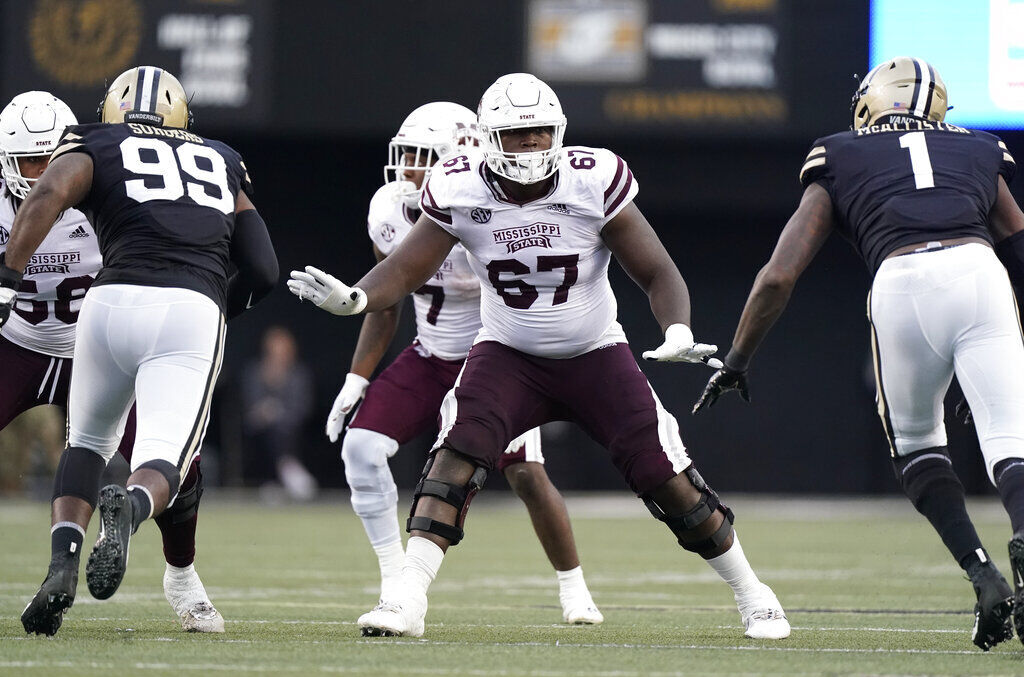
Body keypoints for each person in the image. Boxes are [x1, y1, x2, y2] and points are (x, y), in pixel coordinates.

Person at [289, 72, 789, 639]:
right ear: (488, 138)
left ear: (559, 132)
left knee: (666, 477)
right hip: (509, 353)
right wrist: (357, 298)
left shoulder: (591, 178)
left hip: (595, 351)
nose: (530, 145)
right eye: (517, 134)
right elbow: (407, 268)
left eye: (540, 132)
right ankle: (407, 597)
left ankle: (753, 592)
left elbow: (656, 270)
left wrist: (677, 328)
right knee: (456, 455)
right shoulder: (459, 187)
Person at [693, 56, 1024, 651]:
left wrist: (737, 360)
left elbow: (778, 276)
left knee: (921, 447)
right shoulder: (979, 147)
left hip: (900, 281)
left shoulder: (839, 151)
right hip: (981, 273)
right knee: (1010, 442)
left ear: (872, 101)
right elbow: (1019, 245)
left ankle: (982, 573)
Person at [2, 66, 278, 635]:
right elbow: (262, 266)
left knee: (94, 446)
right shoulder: (219, 155)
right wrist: (216, 310)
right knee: (166, 461)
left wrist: (5, 281)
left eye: (42, 159)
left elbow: (54, 189)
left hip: (100, 322)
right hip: (47, 337)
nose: (35, 173)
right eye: (23, 161)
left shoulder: (94, 148)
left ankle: (118, 569)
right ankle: (126, 513)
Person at [328, 101, 602, 623]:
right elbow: (387, 298)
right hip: (429, 355)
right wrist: (356, 377)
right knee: (361, 448)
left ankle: (574, 586)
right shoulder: (387, 210)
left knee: (526, 475)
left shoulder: (488, 208)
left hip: (493, 361)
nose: (407, 168)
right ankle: (395, 581)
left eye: (420, 156)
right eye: (404, 154)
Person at [241, 325, 318, 500]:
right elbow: (249, 405)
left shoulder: (299, 374)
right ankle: (288, 469)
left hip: (291, 426)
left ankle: (277, 477)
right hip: (258, 427)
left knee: (279, 429)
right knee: (269, 429)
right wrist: (264, 412)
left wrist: (279, 413)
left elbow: (303, 407)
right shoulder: (255, 372)